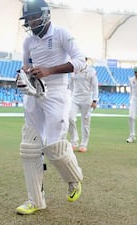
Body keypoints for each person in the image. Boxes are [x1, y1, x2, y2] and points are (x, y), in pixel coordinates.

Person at [15, 0, 85, 215]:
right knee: (30, 147)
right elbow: (26, 63)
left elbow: (81, 61)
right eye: (28, 18)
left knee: (54, 146)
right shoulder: (28, 41)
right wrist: (24, 73)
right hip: (34, 92)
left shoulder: (61, 33)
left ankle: (74, 180)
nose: (30, 21)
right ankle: (35, 200)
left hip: (56, 92)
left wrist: (49, 70)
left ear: (45, 15)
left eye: (33, 17)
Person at [68, 57, 99, 153]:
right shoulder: (73, 70)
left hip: (86, 100)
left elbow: (95, 87)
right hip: (75, 99)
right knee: (70, 118)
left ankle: (84, 144)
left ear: (85, 61)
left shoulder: (91, 71)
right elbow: (70, 86)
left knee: (85, 123)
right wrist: (68, 97)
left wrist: (94, 100)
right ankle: (74, 142)